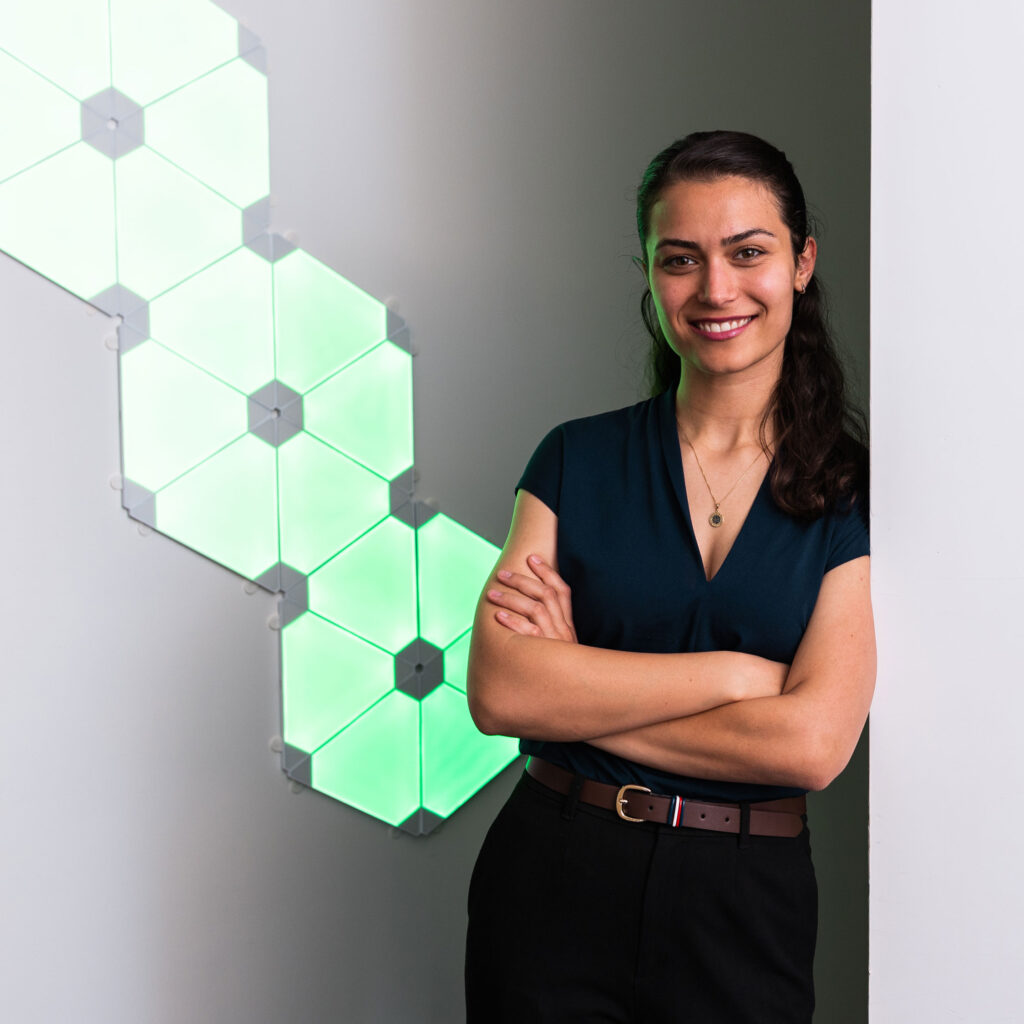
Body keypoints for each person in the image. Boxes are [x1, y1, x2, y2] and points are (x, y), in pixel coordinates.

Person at [463, 130, 875, 1024]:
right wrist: (734, 680)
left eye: (748, 253)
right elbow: (502, 694)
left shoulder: (856, 491)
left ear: (802, 262)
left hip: (746, 904)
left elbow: (811, 746)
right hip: (551, 883)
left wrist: (581, 695)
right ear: (652, 276)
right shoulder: (576, 458)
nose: (716, 289)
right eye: (681, 259)